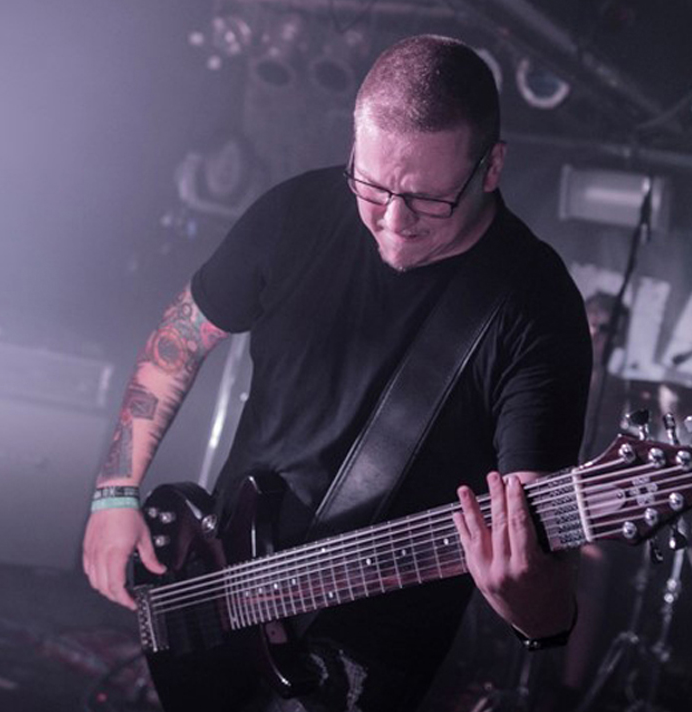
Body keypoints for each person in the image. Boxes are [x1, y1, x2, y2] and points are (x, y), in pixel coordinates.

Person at [82, 34, 592, 712]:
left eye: (428, 199)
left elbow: (542, 573)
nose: (393, 222)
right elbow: (179, 337)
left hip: (360, 670)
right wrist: (115, 491)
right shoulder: (296, 213)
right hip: (220, 589)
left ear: (491, 166)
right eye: (372, 186)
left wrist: (530, 603)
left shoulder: (535, 306)